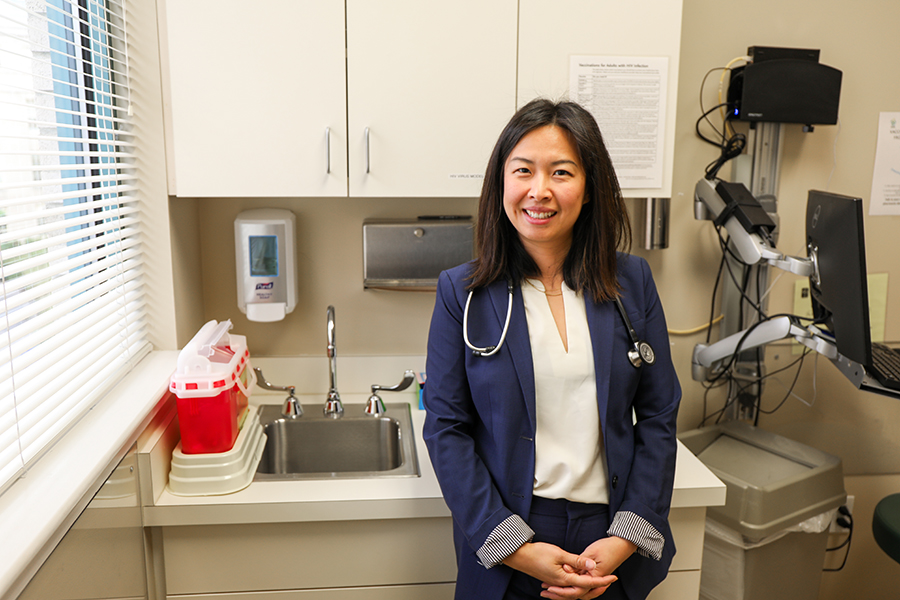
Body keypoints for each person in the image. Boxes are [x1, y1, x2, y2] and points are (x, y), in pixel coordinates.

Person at [422, 98, 681, 600]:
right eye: (523, 170)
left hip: (610, 539)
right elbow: (447, 428)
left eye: (561, 172)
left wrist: (626, 538)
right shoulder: (464, 293)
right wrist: (515, 546)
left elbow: (658, 415)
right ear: (502, 182)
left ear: (588, 189)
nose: (539, 190)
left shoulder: (631, 282)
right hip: (511, 538)